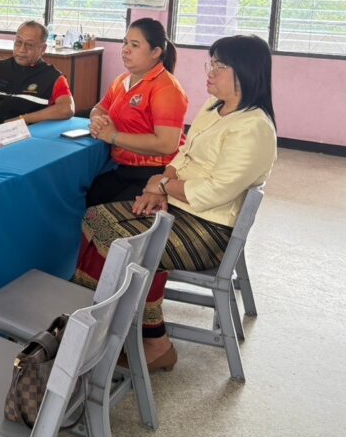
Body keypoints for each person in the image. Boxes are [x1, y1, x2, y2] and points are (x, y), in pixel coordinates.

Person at [74, 34, 277, 372]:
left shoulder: (254, 128)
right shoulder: (214, 107)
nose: (210, 72)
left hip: (209, 229)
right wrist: (158, 186)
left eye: (220, 66)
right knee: (96, 217)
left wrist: (164, 186)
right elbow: (183, 154)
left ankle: (150, 341)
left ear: (246, 73)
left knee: (124, 243)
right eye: (211, 63)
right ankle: (93, 325)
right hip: (181, 207)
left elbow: (213, 192)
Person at [86, 18, 188, 207]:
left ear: (155, 52)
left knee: (107, 210)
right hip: (123, 167)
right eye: (125, 43)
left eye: (134, 45)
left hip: (156, 172)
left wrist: (113, 136)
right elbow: (99, 108)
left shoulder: (167, 88)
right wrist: (97, 121)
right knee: (88, 195)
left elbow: (167, 144)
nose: (125, 50)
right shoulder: (122, 80)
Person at [0, 20, 74, 128]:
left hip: (32, 133)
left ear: (43, 49)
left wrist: (23, 119)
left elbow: (67, 109)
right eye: (18, 42)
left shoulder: (54, 78)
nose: (21, 50)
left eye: (29, 45)